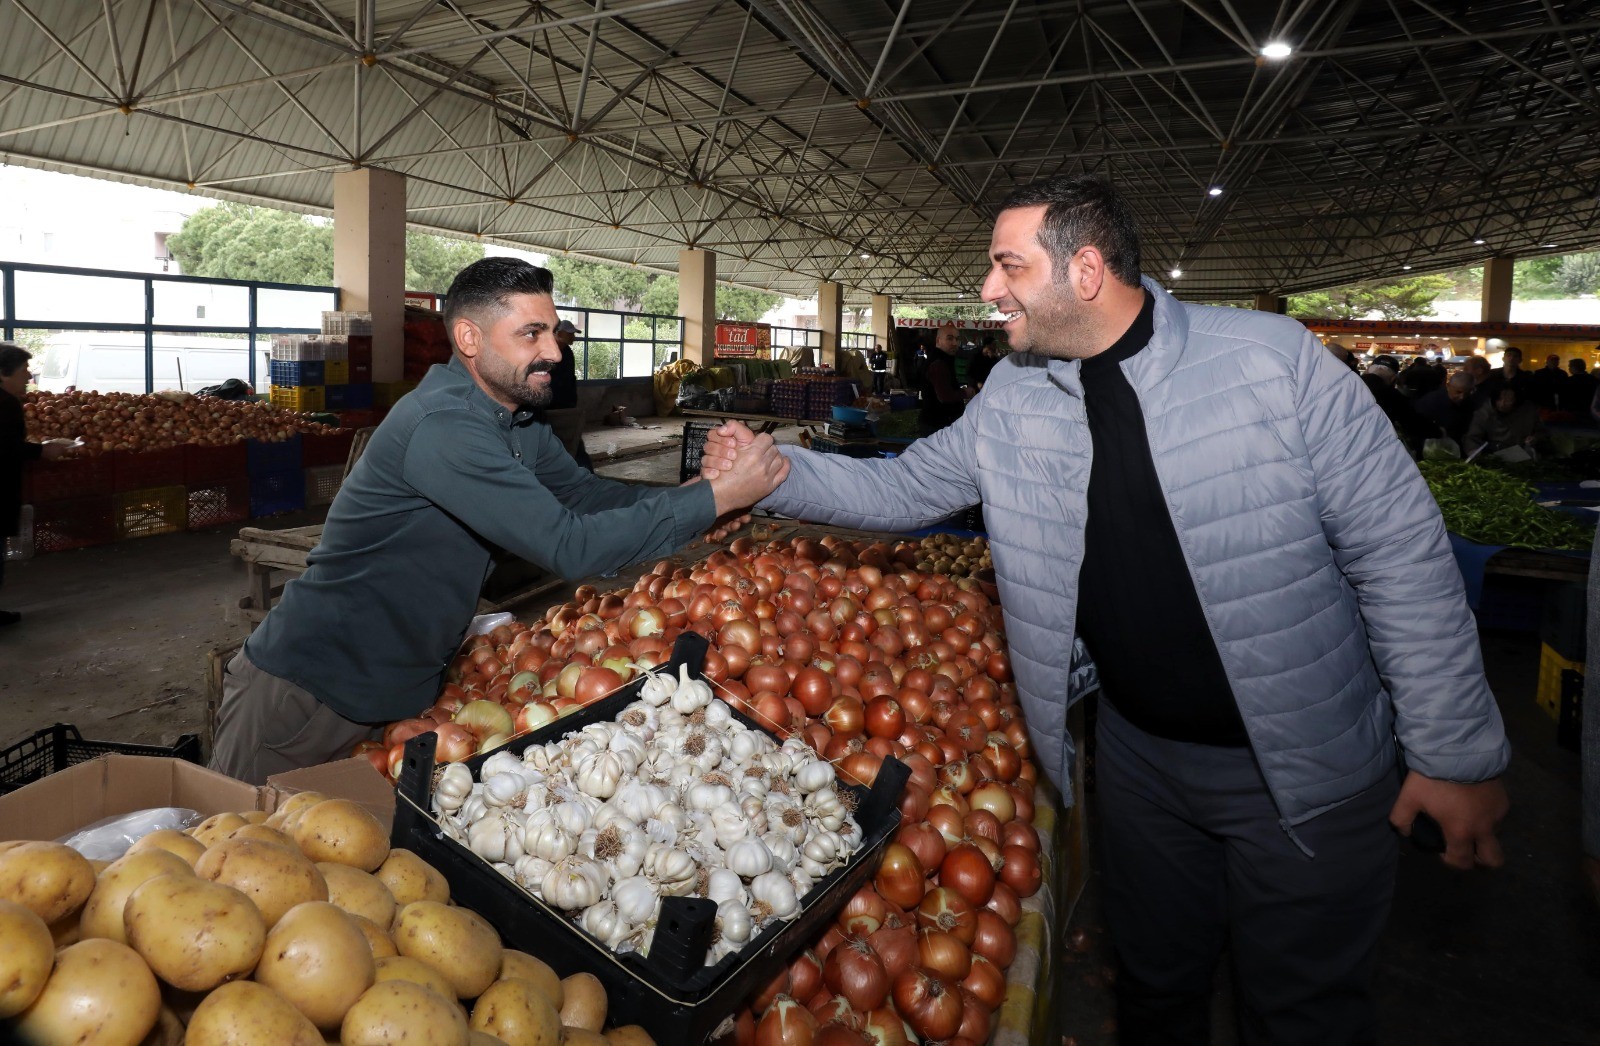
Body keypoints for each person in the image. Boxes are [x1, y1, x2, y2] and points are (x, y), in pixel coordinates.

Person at [703, 174, 1509, 1044]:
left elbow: (1401, 552)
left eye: (1008, 265)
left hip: (1304, 766)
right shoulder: (1016, 394)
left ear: (1084, 271)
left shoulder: (1272, 363)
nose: (988, 288)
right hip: (1140, 762)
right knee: (1156, 989)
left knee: (1301, 1011)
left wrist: (1453, 753)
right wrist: (774, 472)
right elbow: (907, 487)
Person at [209, 259, 788, 784]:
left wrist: (700, 500)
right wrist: (716, 496)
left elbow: (583, 495)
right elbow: (570, 546)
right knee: (236, 844)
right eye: (531, 334)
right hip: (308, 694)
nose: (554, 352)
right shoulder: (445, 428)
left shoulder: (513, 422)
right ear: (469, 338)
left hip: (392, 688)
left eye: (553, 332)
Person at [1, 343, 75, 627]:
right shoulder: (5, 404)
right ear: (3, 373)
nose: (28, 376)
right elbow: (6, 448)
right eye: (23, 369)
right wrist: (42, 450)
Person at [544, 318, 592, 471]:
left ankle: (585, 474)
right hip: (549, 408)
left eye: (573, 334)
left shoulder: (568, 353)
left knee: (573, 440)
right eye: (569, 334)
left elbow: (569, 381)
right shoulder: (547, 353)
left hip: (567, 407)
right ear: (559, 334)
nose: (573, 337)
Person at [1362, 362, 1438, 456]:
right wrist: (1438, 432)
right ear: (1393, 380)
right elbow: (1411, 421)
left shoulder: (1352, 388)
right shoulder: (1391, 395)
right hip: (1379, 447)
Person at [1463, 385, 1545, 457]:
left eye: (1508, 400)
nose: (1502, 404)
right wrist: (1473, 451)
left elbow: (1542, 432)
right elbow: (1472, 437)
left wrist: (1535, 438)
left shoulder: (1528, 410)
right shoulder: (1484, 412)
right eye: (1499, 399)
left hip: (1522, 452)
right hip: (1493, 454)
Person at [918, 324, 964, 434]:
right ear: (938, 340)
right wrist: (965, 392)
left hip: (940, 424)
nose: (955, 343)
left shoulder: (945, 359)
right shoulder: (938, 363)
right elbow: (945, 396)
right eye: (950, 338)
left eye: (957, 339)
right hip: (937, 426)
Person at [1412, 371, 1477, 446]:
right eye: (1458, 392)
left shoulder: (1470, 402)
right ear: (1448, 386)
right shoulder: (1430, 402)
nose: (1462, 397)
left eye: (1467, 393)